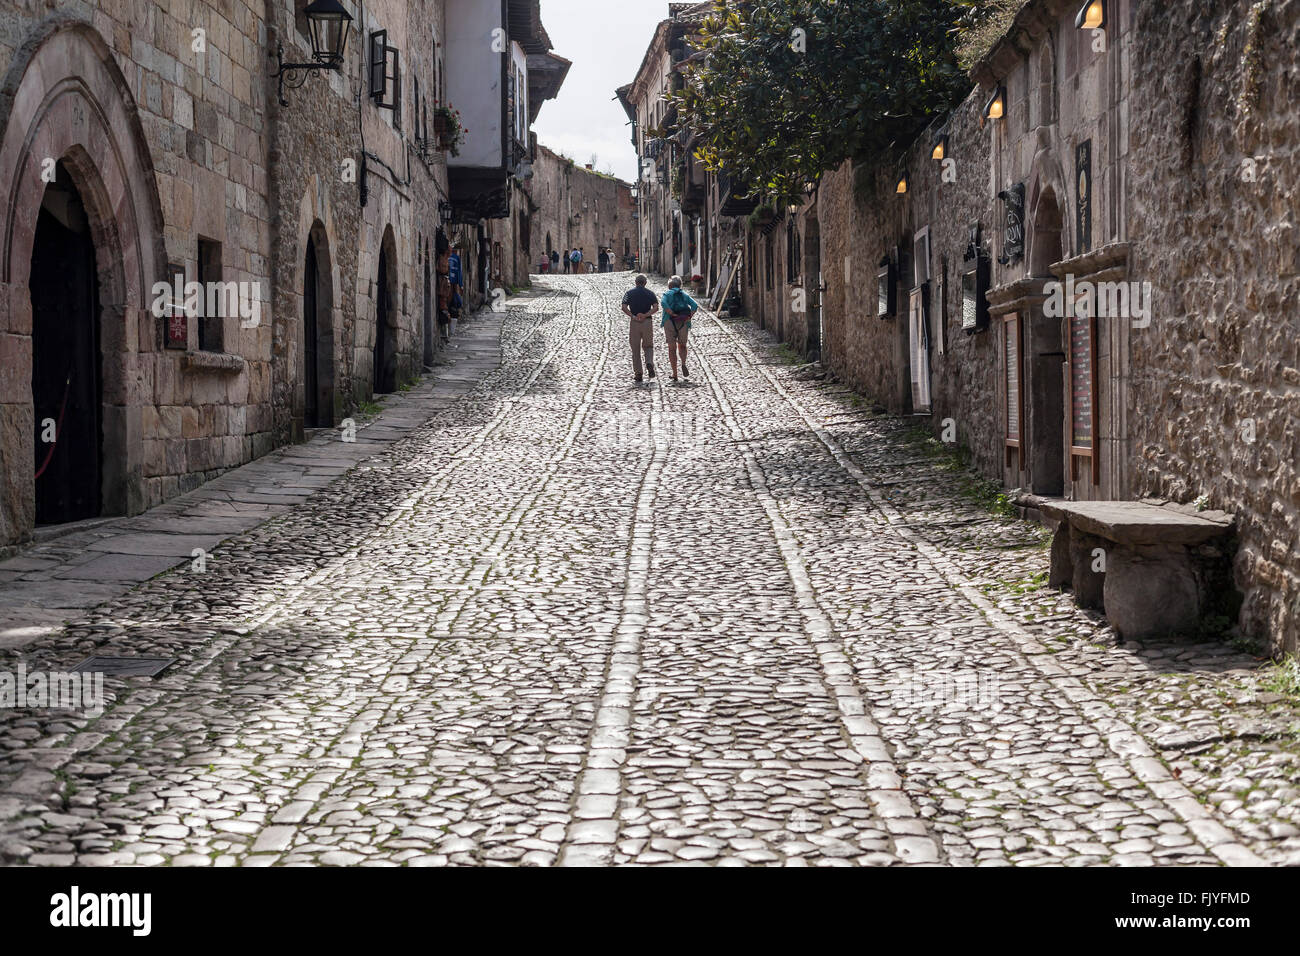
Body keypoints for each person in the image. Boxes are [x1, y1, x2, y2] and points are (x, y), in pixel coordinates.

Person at [660, 275, 699, 382]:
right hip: (683, 321)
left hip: (670, 321)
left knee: (672, 348)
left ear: (670, 285)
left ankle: (675, 373)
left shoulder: (667, 294)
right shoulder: (684, 294)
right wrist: (689, 317)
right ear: (680, 285)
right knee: (682, 345)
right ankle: (683, 363)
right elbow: (695, 306)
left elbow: (663, 303)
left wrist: (671, 313)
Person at [621, 274, 658, 384]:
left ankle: (638, 373)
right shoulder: (650, 293)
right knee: (648, 345)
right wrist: (646, 314)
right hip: (647, 322)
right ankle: (649, 362)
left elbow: (623, 307)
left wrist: (633, 316)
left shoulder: (629, 293)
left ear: (636, 282)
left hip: (635, 322)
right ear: (645, 283)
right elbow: (656, 307)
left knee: (635, 348)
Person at [448, 243, 463, 322]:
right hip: (454, 282)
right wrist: (460, 284)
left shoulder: (447, 256)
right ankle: (452, 317)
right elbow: (459, 272)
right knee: (455, 300)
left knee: (449, 299)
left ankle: (450, 316)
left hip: (446, 280)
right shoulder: (457, 258)